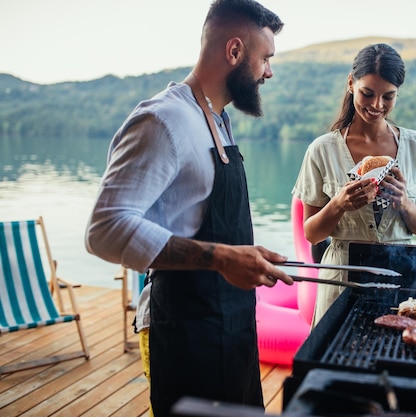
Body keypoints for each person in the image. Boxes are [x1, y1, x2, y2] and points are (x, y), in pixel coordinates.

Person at [84, 1, 292, 415]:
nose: (269, 71)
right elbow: (103, 229)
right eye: (265, 59)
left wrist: (240, 256)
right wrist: (219, 257)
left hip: (232, 326)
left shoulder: (216, 119)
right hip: (185, 332)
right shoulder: (163, 120)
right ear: (234, 51)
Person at [292, 43, 416, 327]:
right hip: (340, 282)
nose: (377, 106)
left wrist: (405, 204)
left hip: (398, 283)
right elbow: (311, 233)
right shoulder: (322, 149)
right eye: (368, 93)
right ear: (351, 84)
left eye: (388, 96)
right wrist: (338, 204)